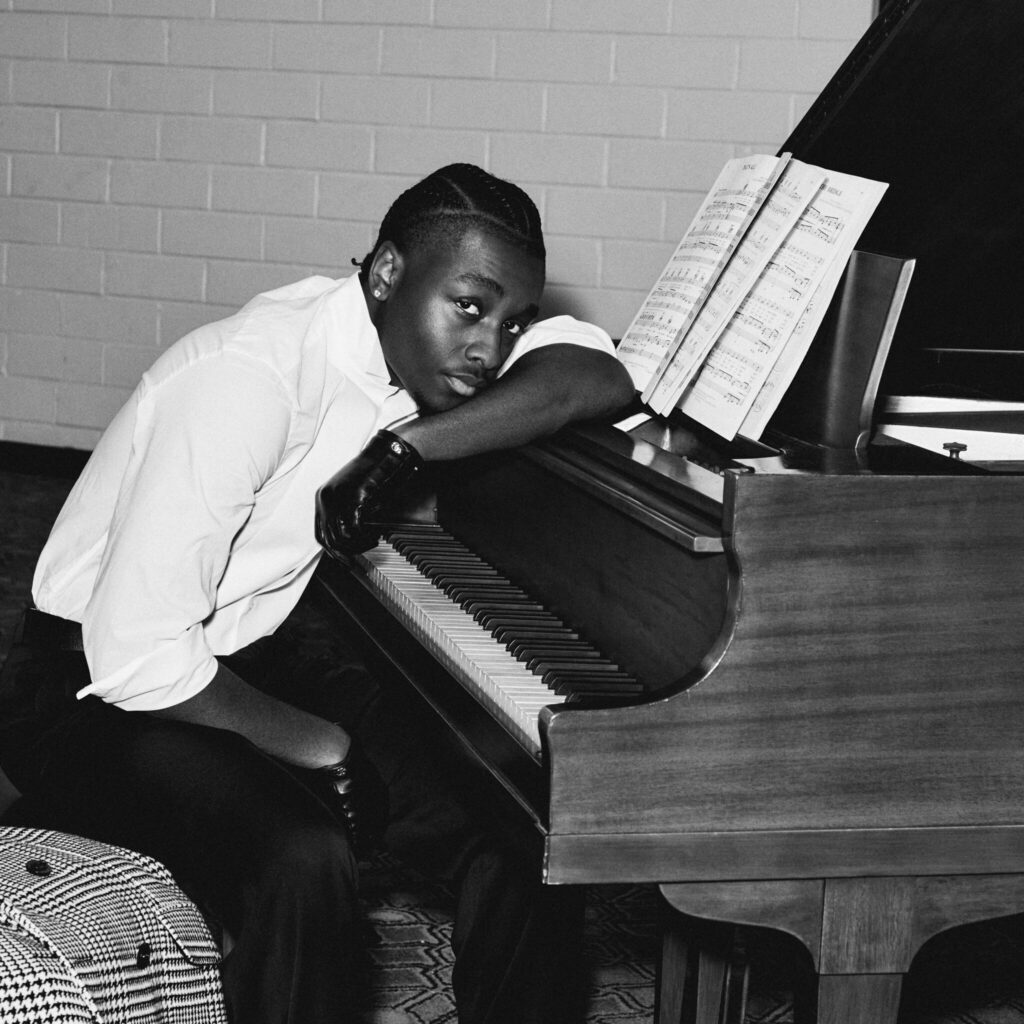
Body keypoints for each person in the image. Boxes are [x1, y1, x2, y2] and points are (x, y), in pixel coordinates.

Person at [0, 163, 634, 1024]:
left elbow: (598, 368)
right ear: (384, 275)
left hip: (243, 656)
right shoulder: (249, 378)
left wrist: (411, 448)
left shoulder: (415, 352)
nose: (489, 349)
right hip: (87, 691)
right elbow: (139, 658)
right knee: (302, 854)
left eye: (511, 319)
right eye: (471, 308)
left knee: (520, 820)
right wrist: (318, 742)